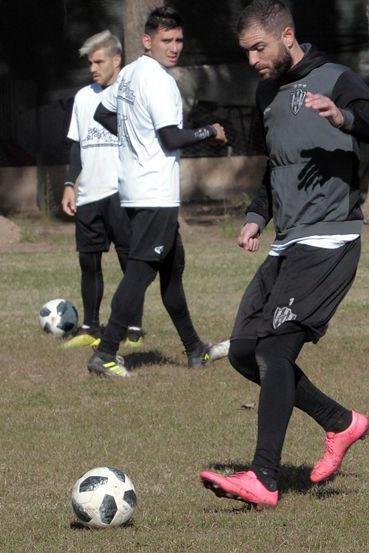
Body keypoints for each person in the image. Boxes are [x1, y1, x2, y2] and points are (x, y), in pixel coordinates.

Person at [199, 0, 369, 509]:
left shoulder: (335, 77)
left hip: (329, 240)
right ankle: (340, 422)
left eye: (258, 48)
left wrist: (346, 116)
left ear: (287, 35)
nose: (252, 59)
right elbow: (276, 167)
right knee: (246, 350)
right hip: (286, 242)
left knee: (274, 351)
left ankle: (264, 478)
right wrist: (255, 214)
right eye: (246, 51)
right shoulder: (267, 91)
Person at [86, 6, 227, 377]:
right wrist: (210, 131)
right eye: (167, 40)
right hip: (155, 195)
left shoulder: (129, 74)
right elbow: (171, 137)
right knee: (140, 273)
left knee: (172, 270)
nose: (174, 46)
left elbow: (102, 113)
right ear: (148, 41)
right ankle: (106, 352)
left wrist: (135, 139)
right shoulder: (161, 82)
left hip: (134, 190)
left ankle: (195, 349)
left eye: (179, 39)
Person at [62, 30, 146, 349]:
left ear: (116, 60)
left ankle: (133, 329)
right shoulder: (83, 97)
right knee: (89, 262)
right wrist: (71, 183)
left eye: (98, 61)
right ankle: (90, 326)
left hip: (123, 193)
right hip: (90, 196)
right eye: (90, 63)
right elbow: (76, 145)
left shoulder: (130, 95)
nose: (93, 68)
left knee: (130, 263)